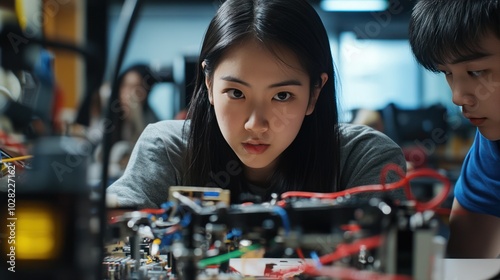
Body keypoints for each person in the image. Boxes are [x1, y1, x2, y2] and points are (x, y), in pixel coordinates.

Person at [107, 0, 406, 209]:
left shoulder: (364, 160)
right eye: (236, 93)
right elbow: (115, 221)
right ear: (209, 85)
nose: (255, 124)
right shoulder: (168, 149)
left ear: (314, 94)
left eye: (282, 96)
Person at [409, 0, 500, 258]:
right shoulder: (491, 149)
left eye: (477, 71)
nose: (457, 97)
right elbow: (464, 264)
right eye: (447, 73)